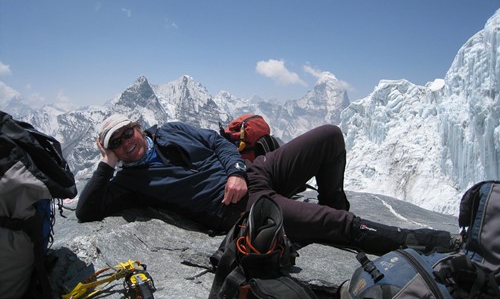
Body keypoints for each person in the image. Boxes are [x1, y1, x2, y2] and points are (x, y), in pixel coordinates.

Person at [76, 114, 456, 256]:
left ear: (138, 128)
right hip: (239, 209)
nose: (127, 144)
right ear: (114, 152)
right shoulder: (129, 181)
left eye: (128, 133)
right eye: (117, 144)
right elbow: (86, 209)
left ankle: (332, 207)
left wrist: (238, 171)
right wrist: (105, 165)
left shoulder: (170, 130)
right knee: (338, 227)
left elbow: (217, 141)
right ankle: (425, 242)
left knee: (330, 135)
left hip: (252, 176)